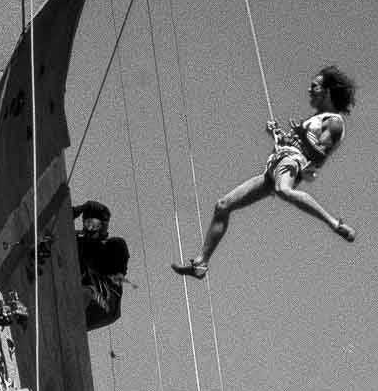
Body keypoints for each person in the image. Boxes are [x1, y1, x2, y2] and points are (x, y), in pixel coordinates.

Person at [172, 65, 356, 280]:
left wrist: (301, 136)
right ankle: (201, 263)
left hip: (291, 164)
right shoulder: (314, 118)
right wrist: (280, 136)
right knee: (223, 205)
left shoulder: (333, 122)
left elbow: (318, 153)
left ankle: (334, 223)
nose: (309, 90)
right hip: (274, 166)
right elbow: (298, 142)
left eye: (314, 86)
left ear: (326, 91)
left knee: (283, 190)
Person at [73, 200, 130, 329]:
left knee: (83, 294)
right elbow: (61, 226)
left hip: (107, 302)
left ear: (103, 226)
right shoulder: (77, 240)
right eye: (87, 223)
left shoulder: (114, 246)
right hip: (84, 296)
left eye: (94, 224)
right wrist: (80, 209)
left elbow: (118, 273)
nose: (90, 228)